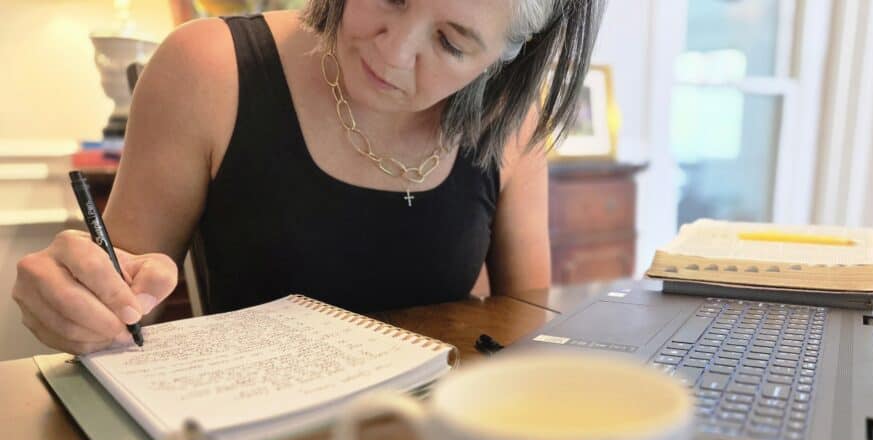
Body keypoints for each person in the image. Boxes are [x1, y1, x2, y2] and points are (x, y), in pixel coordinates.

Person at [12, 0, 605, 355]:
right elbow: (117, 295)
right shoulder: (208, 69)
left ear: (507, 55)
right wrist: (77, 302)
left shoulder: (510, 124)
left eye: (451, 42)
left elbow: (525, 322)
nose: (393, 53)